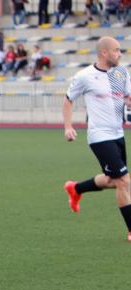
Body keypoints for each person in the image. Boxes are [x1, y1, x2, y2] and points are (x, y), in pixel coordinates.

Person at [62, 37, 131, 241]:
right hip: (99, 135)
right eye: (117, 50)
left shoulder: (122, 72)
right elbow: (68, 101)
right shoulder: (85, 76)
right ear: (104, 53)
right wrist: (68, 126)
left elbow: (127, 97)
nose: (120, 54)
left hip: (118, 133)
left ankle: (75, 188)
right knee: (123, 182)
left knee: (111, 179)